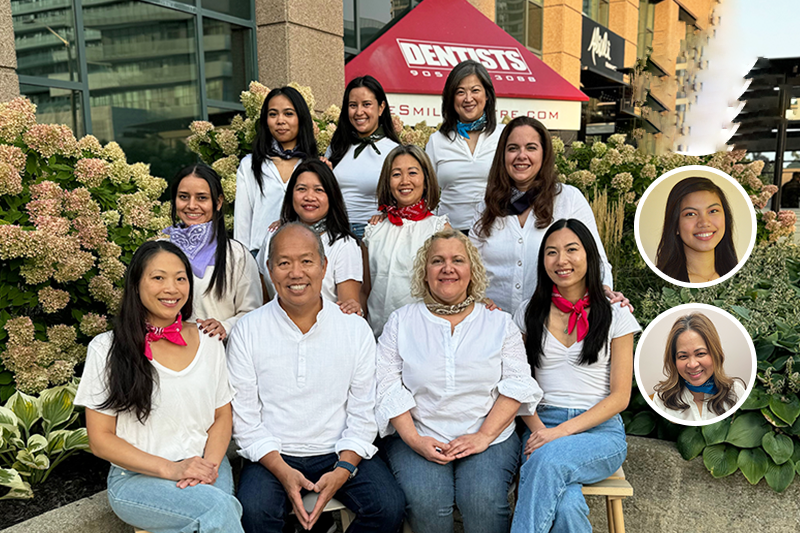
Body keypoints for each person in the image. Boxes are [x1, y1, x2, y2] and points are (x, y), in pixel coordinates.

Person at [226, 223, 405, 533]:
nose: (296, 273)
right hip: (274, 452)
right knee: (254, 513)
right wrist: (282, 471)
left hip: (338, 449)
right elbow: (245, 419)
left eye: (307, 261)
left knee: (388, 507)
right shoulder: (248, 330)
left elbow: (364, 412)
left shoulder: (354, 329)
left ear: (324, 266)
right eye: (284, 263)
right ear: (269, 269)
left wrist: (343, 468)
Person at [376, 229, 542, 533]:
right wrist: (414, 440)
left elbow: (518, 382)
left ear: (472, 270)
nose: (447, 268)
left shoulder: (498, 322)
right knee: (426, 501)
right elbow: (386, 385)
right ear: (424, 272)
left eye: (457, 260)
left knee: (482, 500)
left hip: (489, 434)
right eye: (437, 261)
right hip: (419, 432)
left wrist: (484, 436)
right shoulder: (401, 321)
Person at [75, 241, 243, 533]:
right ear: (136, 284)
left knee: (214, 511)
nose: (172, 288)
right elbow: (100, 439)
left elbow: (221, 415)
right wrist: (172, 469)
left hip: (206, 463)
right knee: (218, 509)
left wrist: (209, 466)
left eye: (180, 278)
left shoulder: (209, 340)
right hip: (138, 479)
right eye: (158, 277)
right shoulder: (106, 348)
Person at [510, 218, 640, 533]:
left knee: (548, 461)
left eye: (571, 249)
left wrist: (561, 434)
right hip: (541, 424)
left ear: (589, 255)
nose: (561, 260)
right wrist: (543, 431)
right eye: (551, 252)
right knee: (567, 505)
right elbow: (518, 383)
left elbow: (620, 397)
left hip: (600, 432)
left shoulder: (616, 315)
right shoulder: (528, 313)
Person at [470, 116, 624, 314]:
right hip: (494, 320)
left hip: (551, 322)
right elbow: (470, 266)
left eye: (531, 148)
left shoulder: (568, 199)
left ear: (544, 154)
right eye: (513, 148)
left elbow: (595, 259)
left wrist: (604, 290)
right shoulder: (485, 207)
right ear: (503, 155)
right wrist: (477, 299)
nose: (521, 155)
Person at [164, 164, 262, 340]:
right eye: (183, 197)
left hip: (218, 351)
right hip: (166, 351)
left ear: (218, 202)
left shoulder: (236, 254)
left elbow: (253, 313)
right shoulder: (159, 251)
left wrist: (225, 326)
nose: (191, 205)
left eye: (202, 198)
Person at [255, 159, 363, 315]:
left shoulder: (344, 244)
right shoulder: (274, 235)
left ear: (331, 196)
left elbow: (348, 307)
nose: (309, 197)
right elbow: (263, 295)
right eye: (301, 189)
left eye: (319, 190)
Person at [362, 144, 449, 337]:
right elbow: (365, 288)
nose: (404, 181)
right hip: (379, 333)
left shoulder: (439, 229)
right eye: (396, 174)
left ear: (426, 180)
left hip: (423, 335)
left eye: (412, 173)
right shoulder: (374, 230)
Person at [235, 86, 318, 254]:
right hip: (259, 254)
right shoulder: (250, 164)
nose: (280, 120)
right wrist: (242, 259)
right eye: (273, 114)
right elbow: (242, 221)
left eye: (288, 113)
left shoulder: (314, 166)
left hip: (305, 252)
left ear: (301, 118)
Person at [425, 60, 504, 233]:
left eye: (475, 90)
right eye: (460, 92)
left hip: (496, 232)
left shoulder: (504, 136)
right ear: (451, 98)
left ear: (487, 95)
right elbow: (424, 192)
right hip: (450, 234)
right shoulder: (437, 140)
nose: (468, 99)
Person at [326, 75, 401, 238]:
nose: (359, 112)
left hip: (374, 233)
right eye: (353, 105)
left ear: (381, 107)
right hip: (336, 232)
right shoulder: (336, 147)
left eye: (366, 104)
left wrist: (387, 215)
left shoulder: (395, 151)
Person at [652, 313, 746, 422]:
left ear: (715, 354)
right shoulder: (661, 399)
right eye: (683, 356)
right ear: (674, 360)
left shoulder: (735, 392)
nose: (692, 364)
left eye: (700, 354)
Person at [655, 176, 738, 284]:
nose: (704, 223)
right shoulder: (659, 284)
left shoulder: (741, 279)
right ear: (675, 225)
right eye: (691, 214)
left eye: (713, 211)